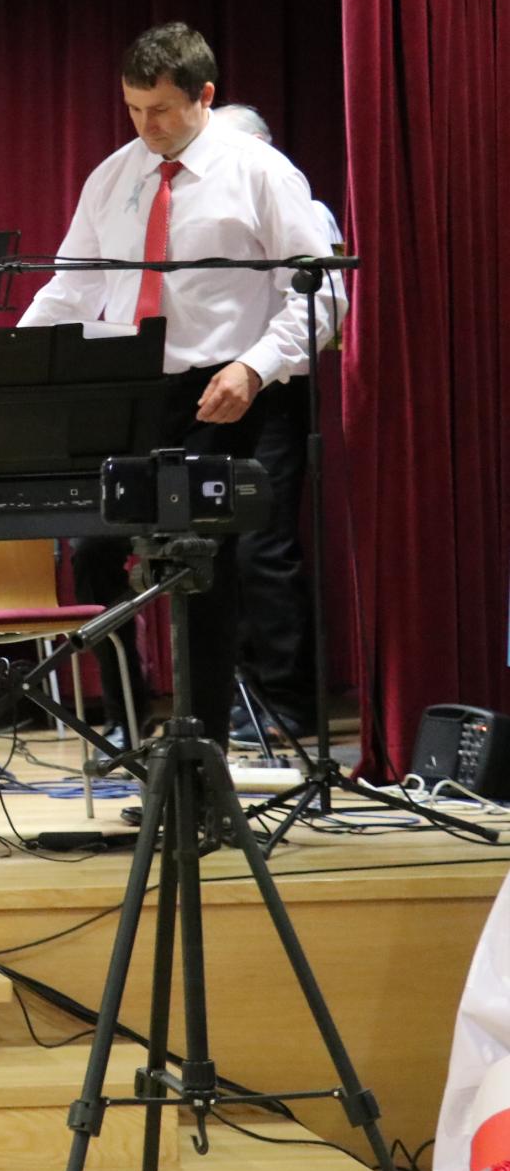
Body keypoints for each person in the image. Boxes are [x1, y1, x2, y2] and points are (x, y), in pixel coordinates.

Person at [0, 23, 338, 743]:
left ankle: (201, 741)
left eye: (163, 110)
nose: (147, 126)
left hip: (233, 389)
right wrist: (4, 364)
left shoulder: (261, 172)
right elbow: (73, 287)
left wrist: (254, 366)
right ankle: (126, 716)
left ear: (204, 96)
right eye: (134, 109)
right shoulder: (114, 177)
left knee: (201, 561)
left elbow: (321, 293)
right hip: (138, 390)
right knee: (92, 548)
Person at [211, 102, 345, 744]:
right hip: (211, 391)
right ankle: (241, 694)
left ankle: (289, 699)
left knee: (263, 548)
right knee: (217, 547)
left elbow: (325, 314)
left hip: (273, 393)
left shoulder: (305, 211)